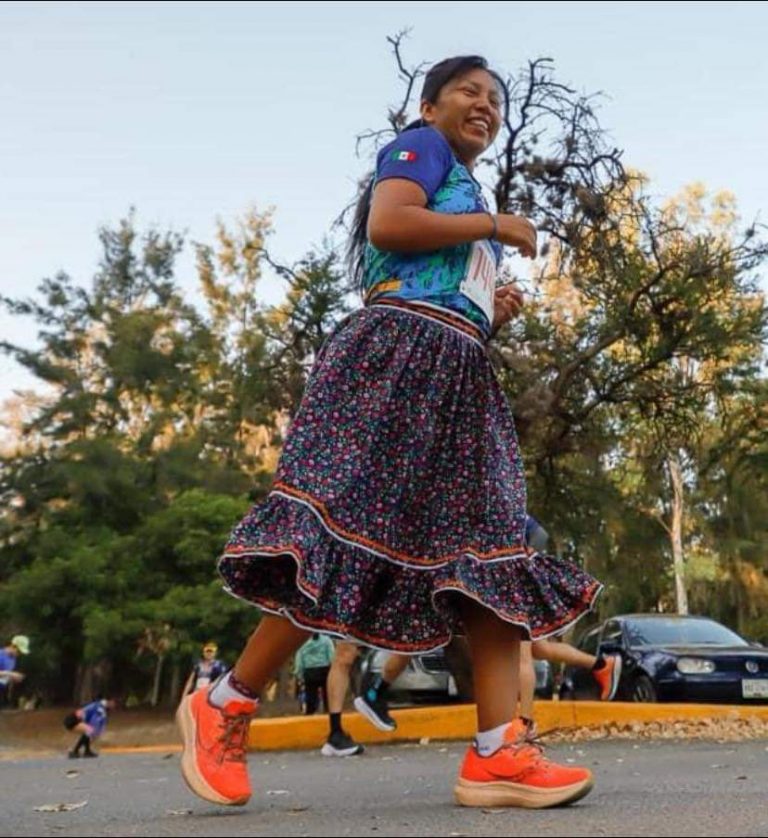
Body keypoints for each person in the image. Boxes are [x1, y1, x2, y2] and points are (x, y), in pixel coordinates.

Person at [177, 54, 602, 811]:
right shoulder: (419, 148)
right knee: (341, 537)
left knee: (490, 549)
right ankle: (227, 703)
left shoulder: (464, 189)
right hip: (395, 359)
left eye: (495, 99)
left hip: (457, 371)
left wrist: (484, 311)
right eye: (470, 92)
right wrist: (496, 225)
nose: (486, 105)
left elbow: (431, 263)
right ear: (429, 106)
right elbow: (392, 222)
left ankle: (499, 754)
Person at [293, 633, 334, 717]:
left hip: (309, 672)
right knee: (327, 694)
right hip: (324, 670)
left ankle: (310, 714)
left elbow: (299, 660)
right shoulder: (326, 640)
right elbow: (331, 656)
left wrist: (298, 673)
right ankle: (329, 712)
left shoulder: (303, 642)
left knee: (311, 695)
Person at [0, 635, 29, 708]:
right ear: (13, 646)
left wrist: (13, 679)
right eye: (19, 651)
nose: (19, 654)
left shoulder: (13, 659)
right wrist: (11, 674)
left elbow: (3, 677)